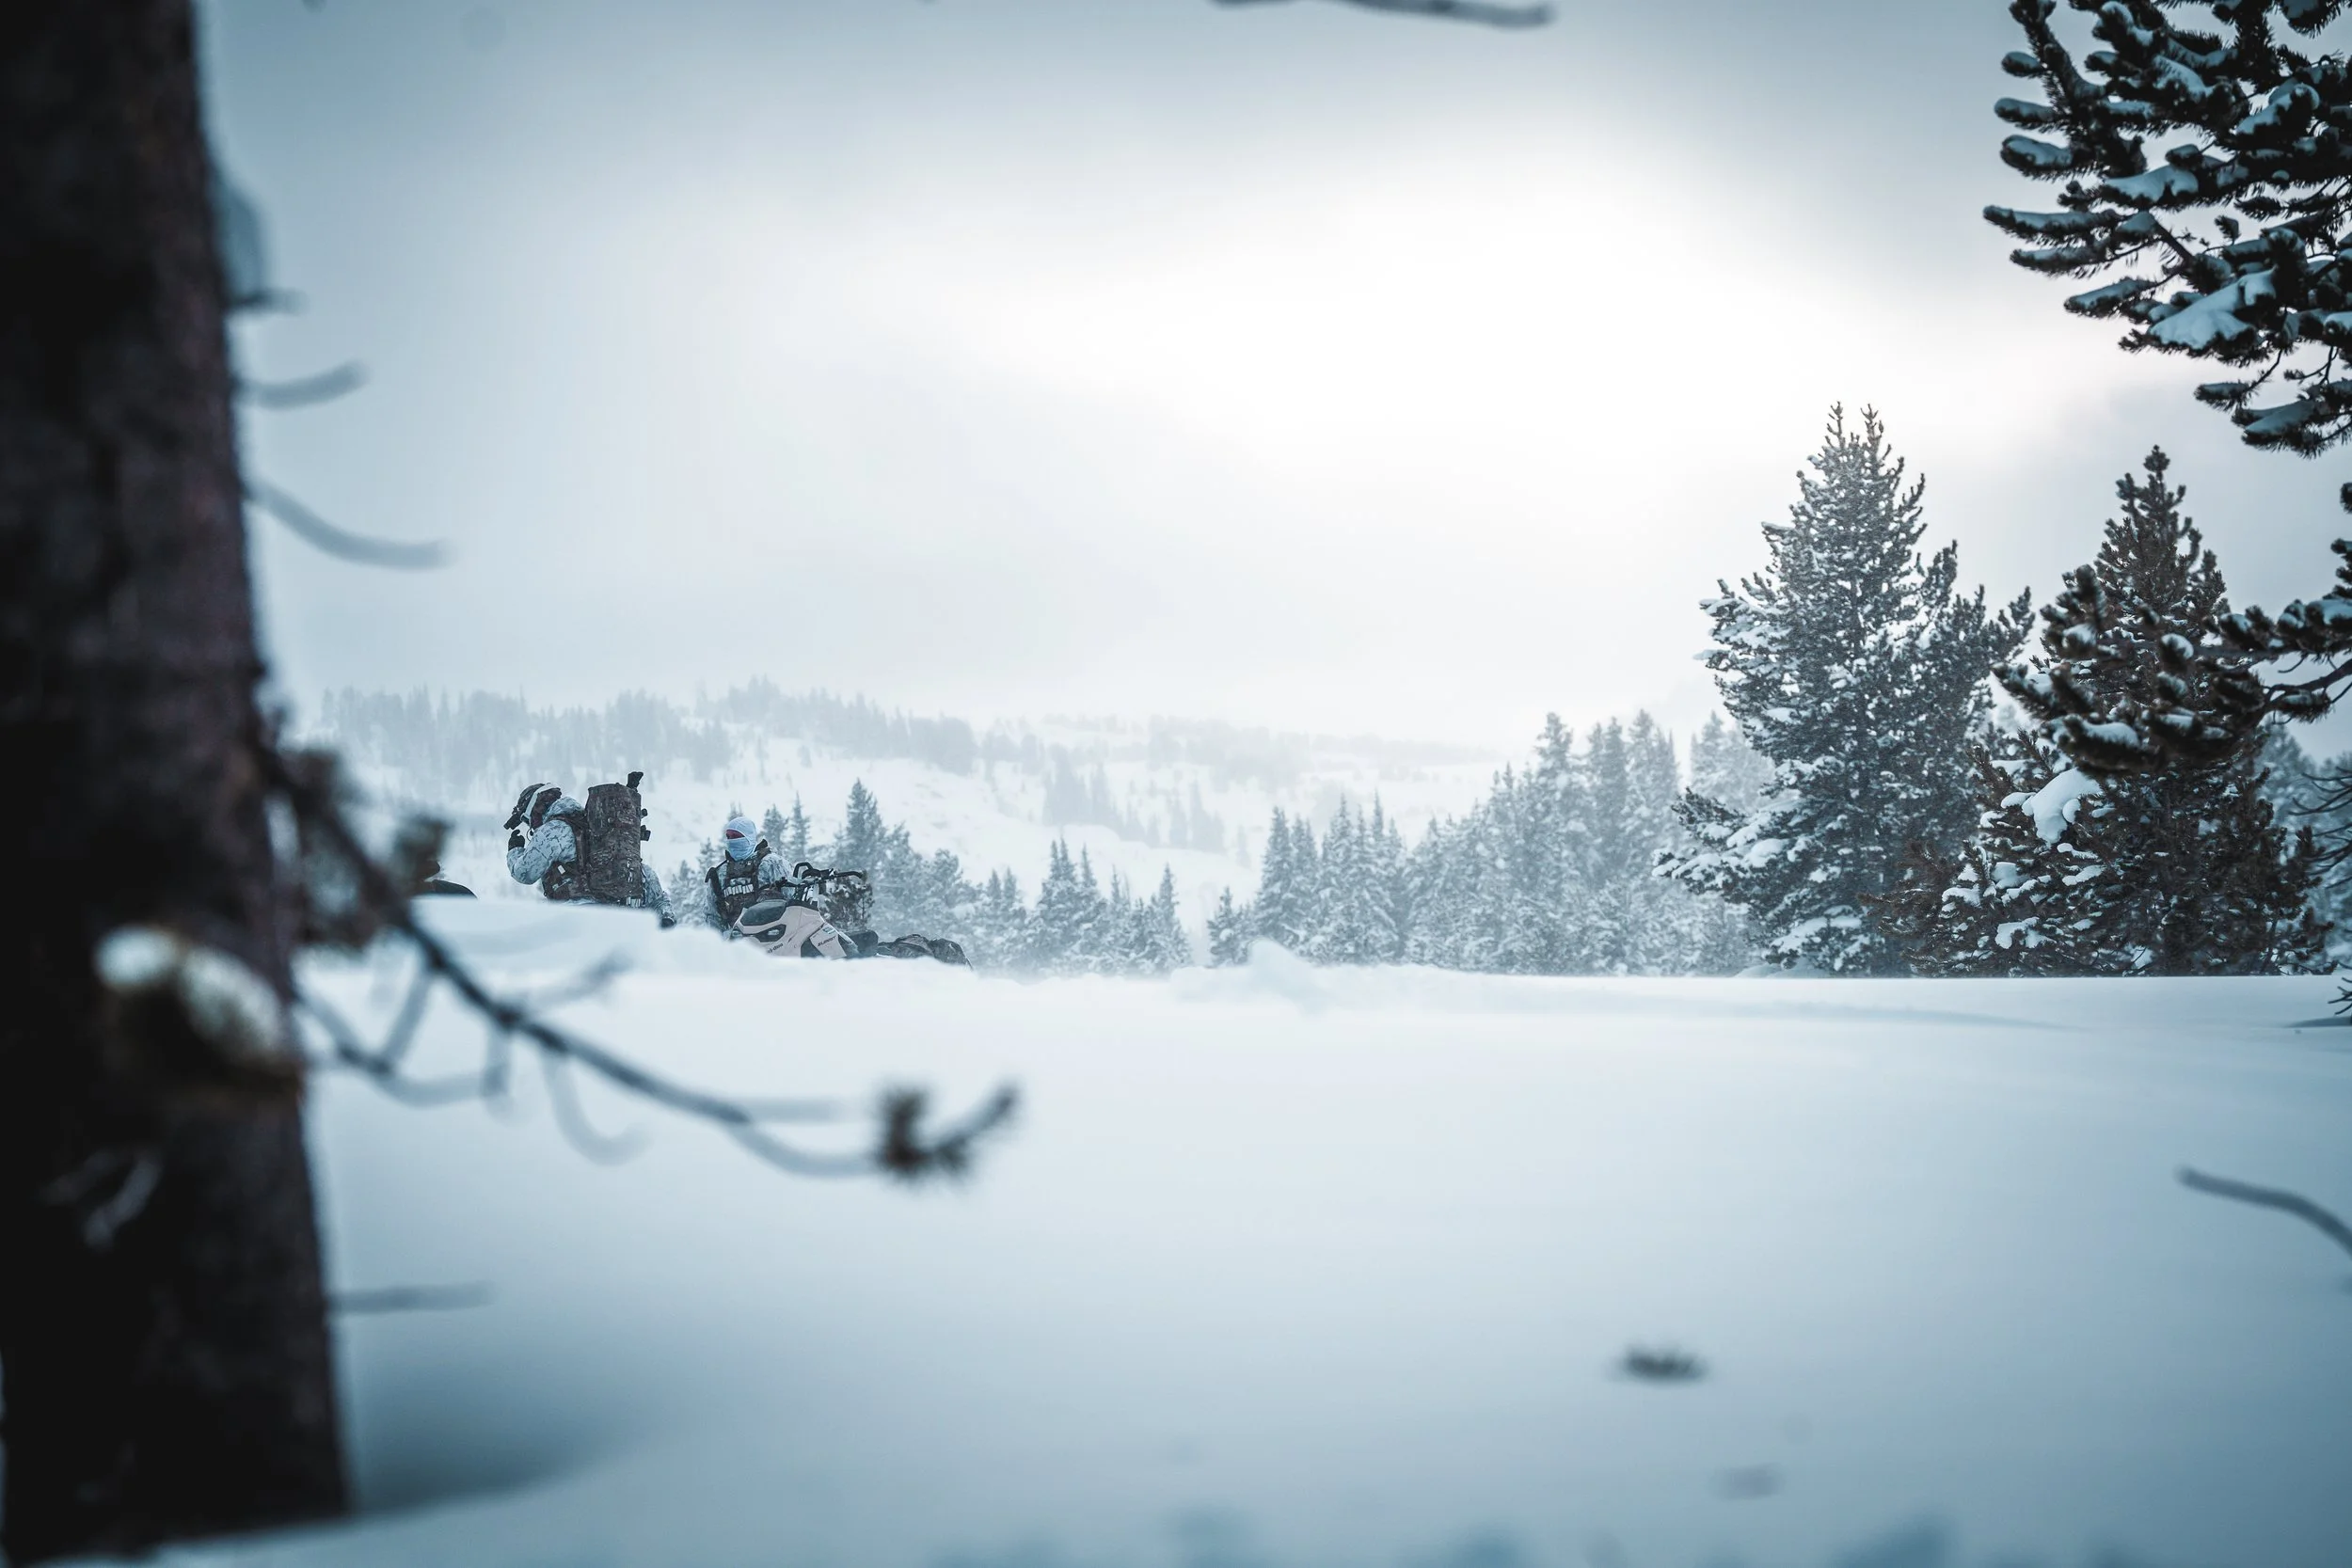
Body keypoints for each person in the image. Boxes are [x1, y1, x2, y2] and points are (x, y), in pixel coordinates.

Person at [505, 782, 671, 922]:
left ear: (535, 809)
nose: (532, 827)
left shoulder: (554, 829)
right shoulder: (595, 827)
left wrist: (515, 850)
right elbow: (640, 869)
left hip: (577, 917)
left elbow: (525, 873)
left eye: (528, 820)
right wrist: (662, 909)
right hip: (622, 915)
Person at [701, 815, 792, 933]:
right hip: (735, 941)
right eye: (728, 836)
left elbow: (792, 898)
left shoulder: (772, 863)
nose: (731, 840)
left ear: (749, 836)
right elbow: (712, 915)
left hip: (773, 936)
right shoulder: (719, 873)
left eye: (736, 836)